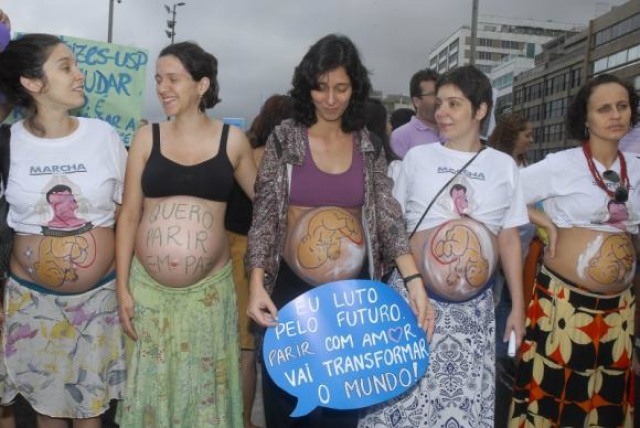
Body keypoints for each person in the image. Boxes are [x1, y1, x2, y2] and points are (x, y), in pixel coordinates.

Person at [245, 34, 434, 428]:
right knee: (291, 411)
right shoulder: (285, 138)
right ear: (307, 86)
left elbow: (387, 216)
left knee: (340, 415)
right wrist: (256, 285)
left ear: (355, 89)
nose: (330, 98)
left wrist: (413, 279)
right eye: (321, 87)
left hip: (352, 309)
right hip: (290, 300)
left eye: (341, 88)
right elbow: (264, 216)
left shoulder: (369, 144)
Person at [359, 65, 528, 428]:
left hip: (473, 313)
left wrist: (518, 307)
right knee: (404, 402)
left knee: (457, 407)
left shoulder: (504, 167)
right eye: (440, 104)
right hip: (414, 302)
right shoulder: (418, 159)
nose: (442, 113)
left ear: (481, 110)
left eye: (454, 104)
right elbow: (394, 228)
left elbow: (510, 239)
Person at [116, 41, 257, 428]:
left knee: (204, 391)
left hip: (208, 295)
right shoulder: (146, 139)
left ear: (202, 84)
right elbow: (128, 215)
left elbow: (267, 208)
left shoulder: (232, 141)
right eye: (158, 79)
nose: (162, 88)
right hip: (147, 292)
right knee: (150, 388)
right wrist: (122, 288)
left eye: (173, 79)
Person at [0, 34, 127, 427]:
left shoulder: (102, 136)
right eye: (66, 66)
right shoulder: (7, 143)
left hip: (100, 303)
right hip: (31, 304)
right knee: (44, 413)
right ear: (33, 83)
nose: (80, 75)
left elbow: (129, 213)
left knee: (93, 414)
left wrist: (128, 287)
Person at [509, 73, 640, 428]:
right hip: (563, 309)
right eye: (603, 108)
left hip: (619, 312)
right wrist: (541, 219)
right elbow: (502, 192)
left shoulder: (638, 170)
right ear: (585, 117)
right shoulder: (561, 164)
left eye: (622, 106)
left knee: (605, 407)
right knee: (553, 403)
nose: (615, 115)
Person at [224, 94, 293, 428]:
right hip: (274, 256)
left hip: (232, 252)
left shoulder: (243, 154)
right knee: (256, 347)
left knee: (243, 347)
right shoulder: (289, 163)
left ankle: (240, 418)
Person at [488, 113, 536, 428]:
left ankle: (504, 358)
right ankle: (498, 363)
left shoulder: (523, 166)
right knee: (498, 304)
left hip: (520, 251)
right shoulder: (501, 166)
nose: (530, 139)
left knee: (508, 304)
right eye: (526, 133)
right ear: (511, 135)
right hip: (500, 252)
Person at [389, 68, 440, 159]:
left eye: (440, 93)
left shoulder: (453, 131)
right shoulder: (400, 137)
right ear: (416, 101)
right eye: (433, 94)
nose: (439, 99)